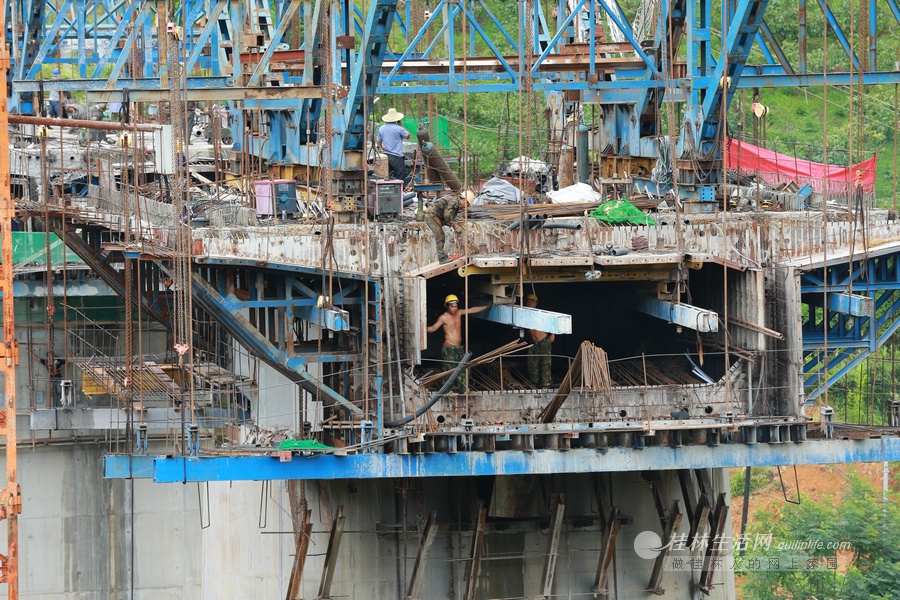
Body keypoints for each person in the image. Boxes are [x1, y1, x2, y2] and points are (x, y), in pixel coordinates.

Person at [426, 294, 490, 393]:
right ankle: (446, 391)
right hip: (449, 348)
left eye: (456, 306)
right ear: (447, 306)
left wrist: (487, 306)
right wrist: (423, 329)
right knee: (449, 369)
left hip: (459, 348)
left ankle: (464, 390)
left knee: (464, 368)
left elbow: (472, 310)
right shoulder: (443, 317)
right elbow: (433, 328)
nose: (454, 308)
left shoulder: (459, 313)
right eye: (452, 306)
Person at [425, 190, 474, 263]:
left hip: (437, 215)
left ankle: (443, 256)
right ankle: (442, 258)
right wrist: (454, 225)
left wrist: (457, 219)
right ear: (464, 201)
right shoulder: (453, 202)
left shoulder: (456, 203)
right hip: (431, 216)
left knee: (441, 235)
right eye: (467, 205)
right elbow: (447, 216)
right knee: (440, 236)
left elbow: (452, 215)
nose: (465, 207)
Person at [524, 293, 555, 389]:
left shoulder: (539, 313)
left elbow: (551, 321)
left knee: (545, 364)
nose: (530, 303)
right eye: (528, 301)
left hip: (543, 341)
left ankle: (546, 385)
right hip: (534, 343)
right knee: (532, 364)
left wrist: (553, 333)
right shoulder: (523, 313)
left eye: (532, 301)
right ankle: (535, 382)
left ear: (536, 303)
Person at [376, 108, 410, 181]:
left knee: (386, 177)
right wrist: (401, 125)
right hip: (397, 156)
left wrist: (381, 151)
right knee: (400, 177)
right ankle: (400, 191)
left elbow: (379, 143)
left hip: (386, 156)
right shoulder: (399, 129)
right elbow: (408, 136)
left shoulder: (381, 128)